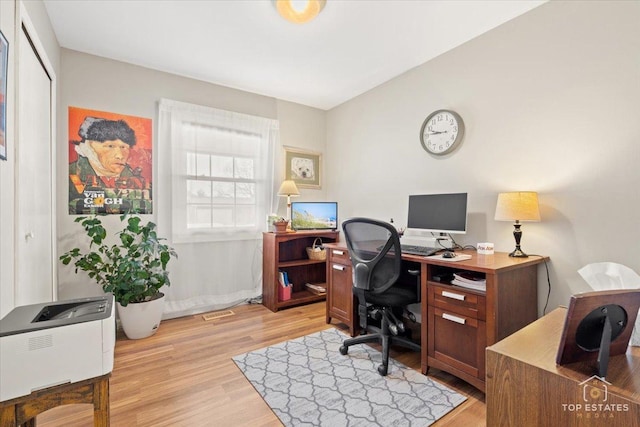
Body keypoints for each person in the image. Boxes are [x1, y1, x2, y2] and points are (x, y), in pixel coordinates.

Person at [69, 116, 151, 214]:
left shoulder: (137, 180)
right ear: (90, 146)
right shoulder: (70, 174)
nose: (120, 156)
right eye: (110, 146)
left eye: (124, 147)